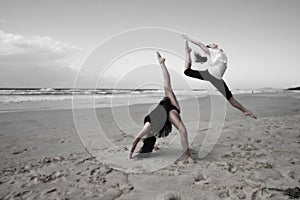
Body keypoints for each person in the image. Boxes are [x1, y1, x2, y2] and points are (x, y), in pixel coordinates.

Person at [129, 52, 195, 164]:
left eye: (144, 138)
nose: (144, 137)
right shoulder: (149, 127)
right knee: (183, 131)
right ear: (147, 138)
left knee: (167, 86)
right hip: (170, 110)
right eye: (145, 138)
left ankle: (188, 156)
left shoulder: (148, 126)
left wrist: (130, 157)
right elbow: (135, 141)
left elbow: (135, 141)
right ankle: (188, 156)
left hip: (169, 108)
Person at [182, 35, 257, 119]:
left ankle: (245, 111)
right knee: (187, 72)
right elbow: (199, 43)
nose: (213, 43)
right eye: (210, 44)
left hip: (217, 78)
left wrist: (220, 51)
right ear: (210, 47)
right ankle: (187, 52)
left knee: (230, 98)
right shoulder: (210, 51)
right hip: (210, 75)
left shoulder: (219, 52)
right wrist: (188, 38)